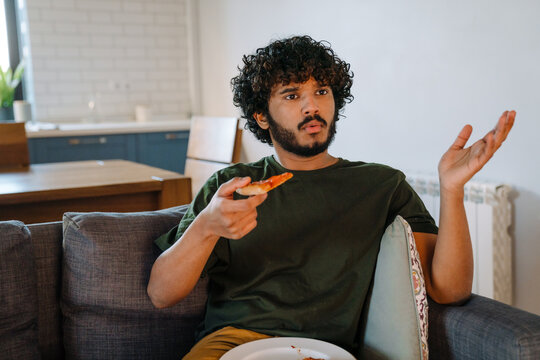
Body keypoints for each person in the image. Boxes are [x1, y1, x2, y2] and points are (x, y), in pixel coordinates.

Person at [147, 35, 515, 359]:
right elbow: (161, 294)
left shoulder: (381, 185)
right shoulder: (232, 185)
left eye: (321, 92)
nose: (313, 107)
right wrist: (206, 228)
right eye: (292, 95)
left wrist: (452, 190)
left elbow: (449, 290)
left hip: (326, 351)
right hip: (231, 346)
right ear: (261, 115)